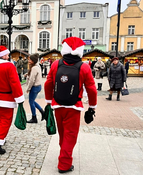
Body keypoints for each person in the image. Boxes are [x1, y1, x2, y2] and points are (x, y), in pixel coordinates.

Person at [45, 37, 97, 173]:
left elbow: (48, 83)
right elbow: (91, 88)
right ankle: (64, 164)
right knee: (71, 135)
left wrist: (48, 101)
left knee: (63, 134)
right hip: (74, 107)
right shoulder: (84, 67)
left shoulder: (56, 64)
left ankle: (64, 151)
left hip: (57, 105)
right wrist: (92, 107)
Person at [0, 46, 24, 154]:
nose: (8, 56)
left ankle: (0, 137)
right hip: (6, 98)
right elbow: (15, 83)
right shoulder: (9, 66)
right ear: (2, 55)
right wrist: (19, 97)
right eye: (7, 55)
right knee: (6, 120)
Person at [25, 53, 44, 123]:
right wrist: (27, 74)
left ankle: (34, 118)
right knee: (32, 101)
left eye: (30, 59)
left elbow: (32, 80)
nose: (29, 60)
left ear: (33, 61)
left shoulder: (34, 68)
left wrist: (28, 88)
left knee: (31, 102)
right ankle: (42, 112)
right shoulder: (37, 66)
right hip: (38, 86)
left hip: (34, 87)